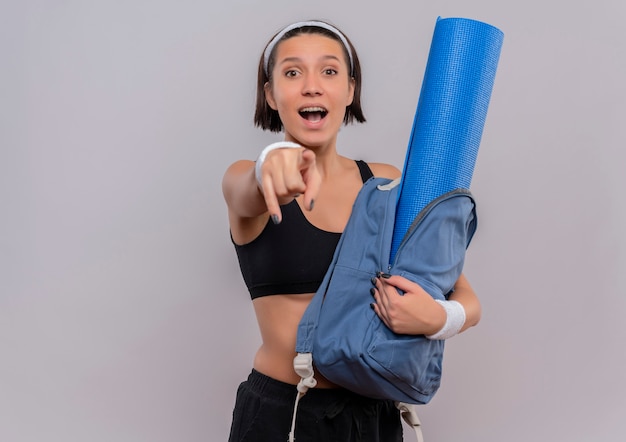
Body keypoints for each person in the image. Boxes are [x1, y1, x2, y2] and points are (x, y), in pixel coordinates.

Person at [222, 19, 482, 442]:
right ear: (270, 94)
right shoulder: (249, 179)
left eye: (329, 71)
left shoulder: (386, 185)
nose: (311, 86)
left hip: (374, 418)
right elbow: (245, 189)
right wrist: (270, 163)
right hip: (284, 415)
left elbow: (467, 300)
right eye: (292, 72)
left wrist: (438, 318)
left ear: (350, 90)